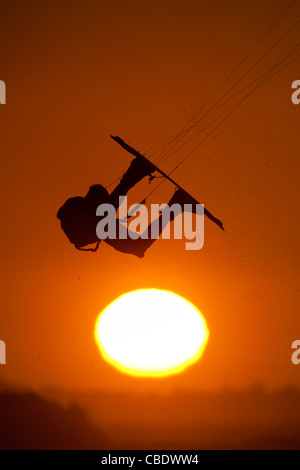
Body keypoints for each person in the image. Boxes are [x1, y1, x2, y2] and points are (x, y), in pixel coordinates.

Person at [57, 156, 199, 258]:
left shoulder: (85, 210)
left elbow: (106, 209)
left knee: (138, 246)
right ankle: (175, 204)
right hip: (96, 228)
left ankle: (176, 205)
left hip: (97, 228)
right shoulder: (78, 207)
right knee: (136, 245)